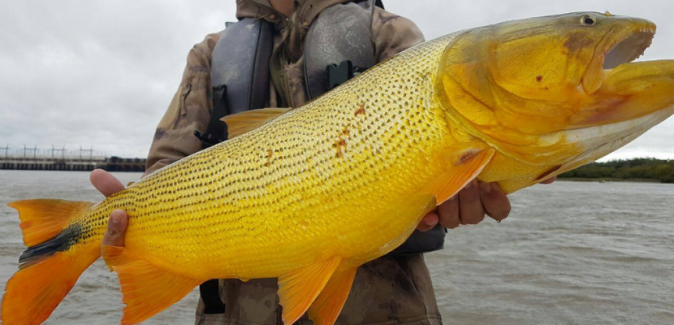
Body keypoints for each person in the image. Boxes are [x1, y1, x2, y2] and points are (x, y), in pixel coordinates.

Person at [91, 0, 555, 324]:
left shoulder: (386, 32)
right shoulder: (210, 54)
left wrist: (464, 189)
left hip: (384, 310)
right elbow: (169, 164)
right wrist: (130, 223)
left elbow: (439, 148)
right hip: (234, 313)